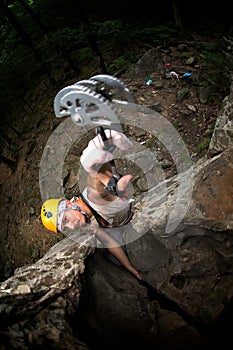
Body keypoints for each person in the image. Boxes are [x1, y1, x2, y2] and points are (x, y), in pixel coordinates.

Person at [41, 128, 142, 281]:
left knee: (93, 178)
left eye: (66, 220)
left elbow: (94, 179)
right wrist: (129, 267)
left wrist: (110, 183)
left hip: (120, 208)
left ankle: (106, 163)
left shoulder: (92, 197)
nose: (71, 227)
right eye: (65, 228)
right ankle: (108, 175)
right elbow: (108, 241)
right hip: (119, 226)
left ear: (69, 204)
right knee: (115, 259)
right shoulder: (88, 225)